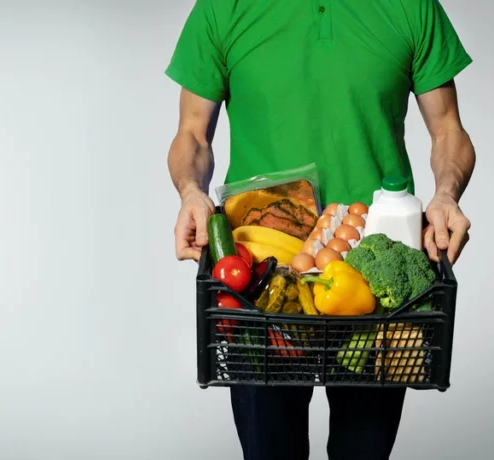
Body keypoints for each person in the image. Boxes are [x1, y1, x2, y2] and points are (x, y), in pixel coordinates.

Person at [165, 1, 475, 459]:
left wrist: (446, 194)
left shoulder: (411, 7)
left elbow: (448, 129)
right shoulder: (222, 8)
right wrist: (192, 192)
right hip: (259, 281)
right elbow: (192, 133)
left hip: (375, 281)